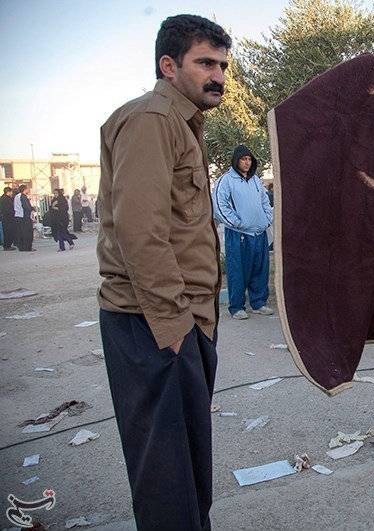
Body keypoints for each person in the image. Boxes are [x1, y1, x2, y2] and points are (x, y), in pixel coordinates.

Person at [96, 14, 230, 530]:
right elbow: (140, 232)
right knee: (167, 480)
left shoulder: (181, 124)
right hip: (154, 323)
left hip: (178, 322)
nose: (217, 75)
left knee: (187, 470)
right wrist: (176, 332)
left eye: (222, 65)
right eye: (205, 63)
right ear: (168, 65)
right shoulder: (152, 120)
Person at [212, 145, 274, 319]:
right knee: (238, 270)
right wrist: (237, 223)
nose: (247, 163)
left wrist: (266, 219)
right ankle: (237, 307)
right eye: (243, 159)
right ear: (236, 160)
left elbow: (264, 200)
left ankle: (258, 302)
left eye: (249, 159)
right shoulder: (226, 180)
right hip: (238, 233)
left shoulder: (255, 180)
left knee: (260, 269)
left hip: (259, 232)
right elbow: (219, 205)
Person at [13, 184, 35, 252]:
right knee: (27, 232)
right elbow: (26, 207)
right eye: (27, 189)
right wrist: (32, 209)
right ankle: (27, 247)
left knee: (20, 232)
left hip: (18, 216)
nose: (28, 190)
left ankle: (21, 247)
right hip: (24, 217)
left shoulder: (17, 196)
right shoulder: (23, 196)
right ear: (25, 189)